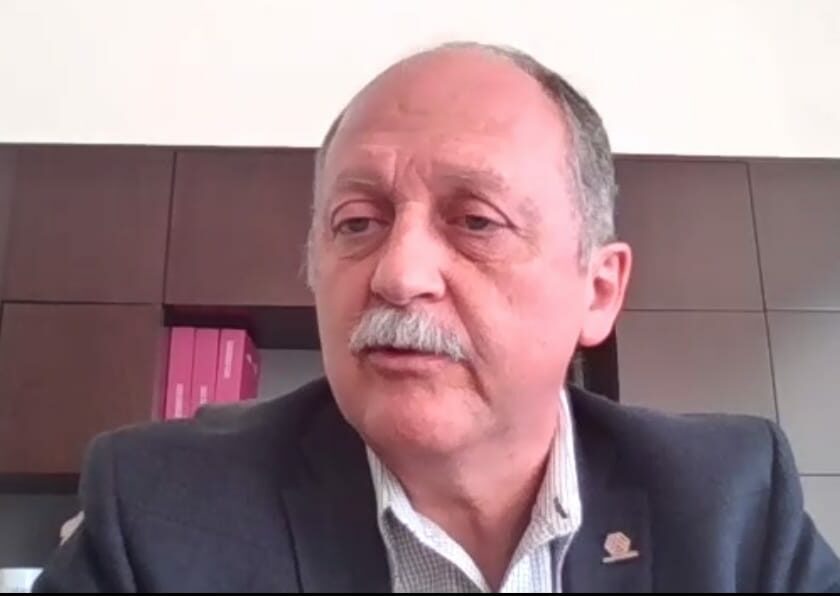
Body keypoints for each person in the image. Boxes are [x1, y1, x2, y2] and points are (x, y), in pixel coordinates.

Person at [34, 42, 840, 593]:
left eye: (477, 221)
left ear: (597, 291)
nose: (398, 274)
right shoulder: (159, 512)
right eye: (357, 222)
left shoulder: (730, 502)